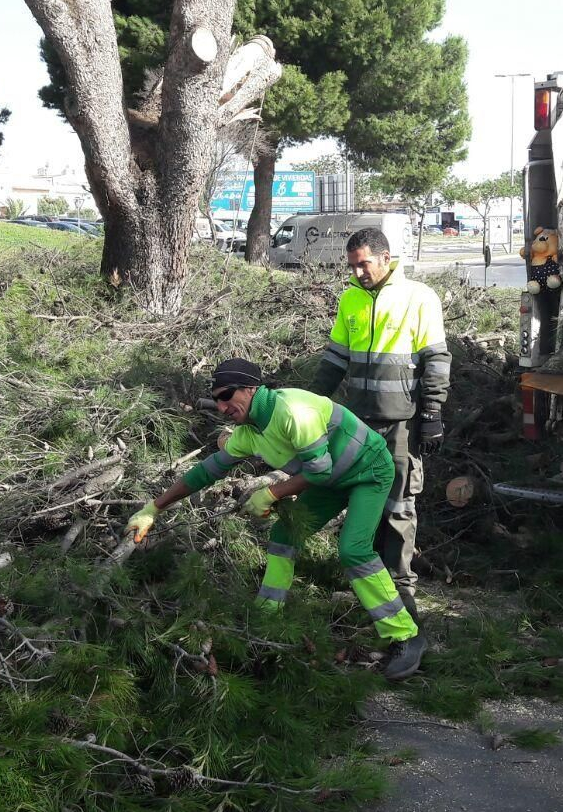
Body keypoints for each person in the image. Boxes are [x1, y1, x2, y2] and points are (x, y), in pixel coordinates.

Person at [124, 358, 427, 680]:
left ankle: (406, 636)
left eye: (227, 395)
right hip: (329, 481)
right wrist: (153, 508)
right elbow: (206, 472)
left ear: (251, 388)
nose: (222, 406)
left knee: (353, 550)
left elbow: (318, 469)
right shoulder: (248, 432)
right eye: (216, 400)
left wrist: (271, 493)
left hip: (368, 470)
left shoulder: (292, 411)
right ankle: (268, 620)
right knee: (283, 538)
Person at [309, 227, 450, 628]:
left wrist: (433, 413)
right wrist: (312, 400)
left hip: (402, 424)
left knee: (400, 505)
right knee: (364, 502)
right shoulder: (351, 298)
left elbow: (436, 359)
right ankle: (368, 584)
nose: (357, 274)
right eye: (352, 266)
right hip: (359, 423)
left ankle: (402, 588)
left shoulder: (418, 297)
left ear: (386, 258)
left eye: (364, 264)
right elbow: (336, 357)